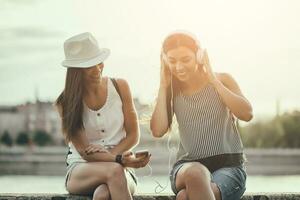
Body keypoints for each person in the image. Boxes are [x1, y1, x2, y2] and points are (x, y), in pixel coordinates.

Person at [150, 31, 253, 200]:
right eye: (172, 61)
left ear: (199, 56)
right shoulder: (170, 91)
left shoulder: (223, 80)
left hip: (229, 168)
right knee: (196, 172)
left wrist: (212, 79)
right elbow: (158, 130)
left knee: (184, 196)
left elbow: (246, 114)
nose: (179, 67)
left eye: (185, 60)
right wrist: (163, 85)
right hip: (187, 168)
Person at [55, 32, 150, 200]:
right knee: (113, 170)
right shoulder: (66, 101)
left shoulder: (120, 86)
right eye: (88, 66)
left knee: (102, 194)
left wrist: (113, 155)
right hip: (82, 170)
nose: (97, 69)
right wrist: (118, 159)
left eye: (98, 62)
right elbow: (85, 153)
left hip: (122, 169)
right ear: (76, 71)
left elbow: (133, 135)